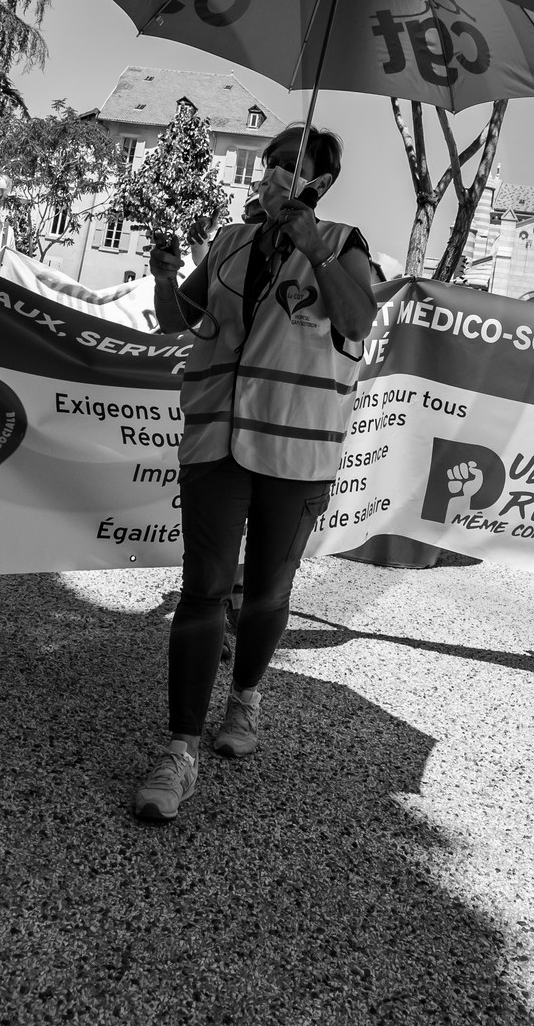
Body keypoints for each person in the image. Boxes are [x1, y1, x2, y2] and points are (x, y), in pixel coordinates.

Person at [133, 124, 377, 822]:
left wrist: (313, 249)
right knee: (204, 588)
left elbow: (358, 322)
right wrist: (164, 273)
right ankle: (180, 750)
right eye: (270, 163)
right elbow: (177, 321)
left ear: (319, 185)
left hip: (296, 453)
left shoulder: (345, 243)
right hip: (216, 439)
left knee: (267, 591)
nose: (272, 175)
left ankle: (245, 698)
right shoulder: (231, 243)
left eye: (289, 168)